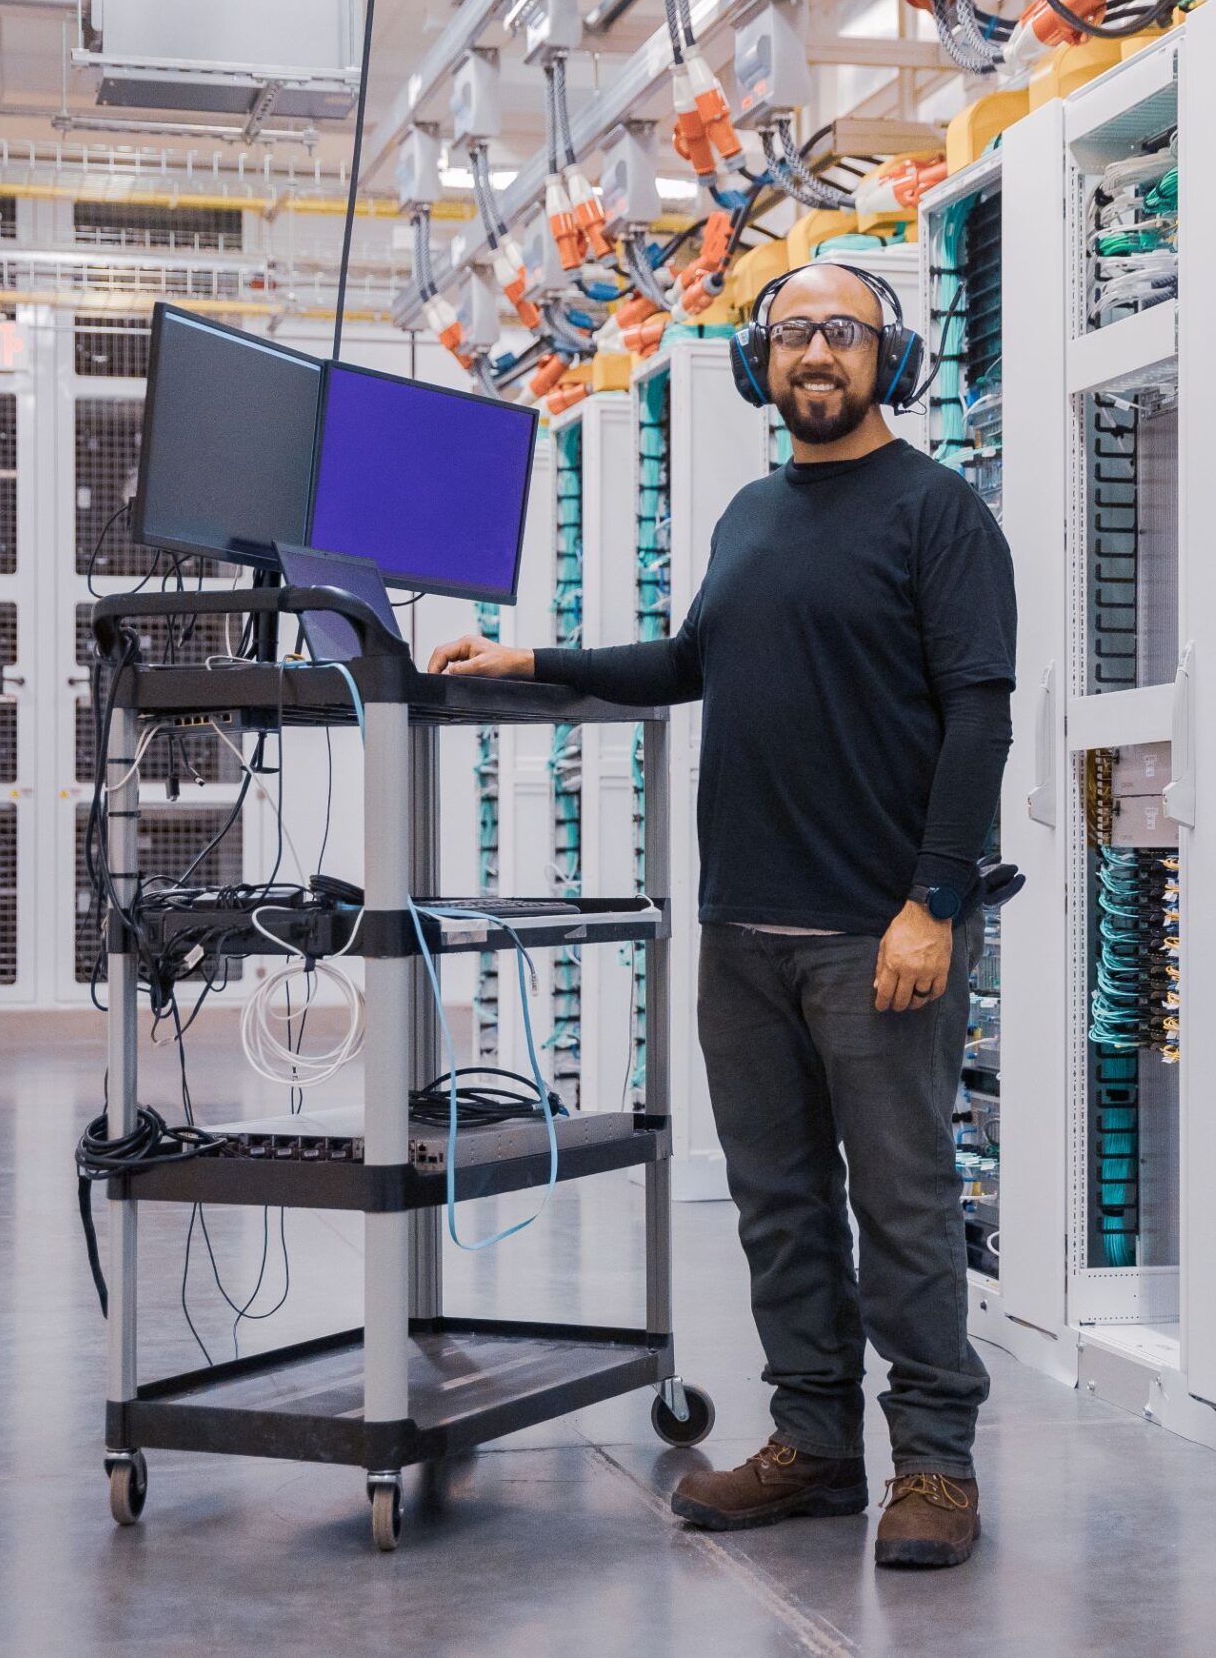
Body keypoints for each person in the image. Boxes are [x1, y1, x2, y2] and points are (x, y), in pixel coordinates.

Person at [428, 263, 1017, 1568]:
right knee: (779, 1206)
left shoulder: (940, 514)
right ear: (761, 360)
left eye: (842, 332)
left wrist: (936, 900)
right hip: (743, 932)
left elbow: (979, 716)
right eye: (794, 331)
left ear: (891, 356)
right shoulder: (752, 512)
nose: (816, 352)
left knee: (907, 1210)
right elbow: (692, 663)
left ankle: (934, 1466)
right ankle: (812, 1443)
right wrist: (533, 659)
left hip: (879, 933)